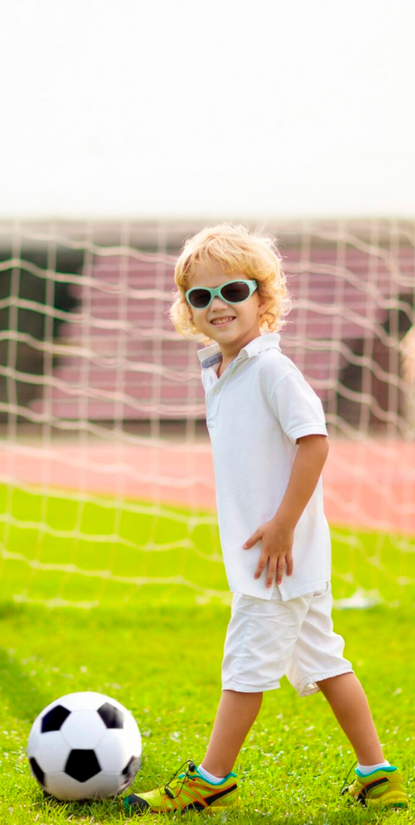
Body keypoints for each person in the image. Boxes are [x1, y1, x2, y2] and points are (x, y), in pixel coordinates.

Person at [123, 223, 407, 814]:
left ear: (263, 295)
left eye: (232, 290)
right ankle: (378, 772)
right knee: (326, 661)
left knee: (245, 664)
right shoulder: (223, 369)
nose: (217, 305)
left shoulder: (272, 371)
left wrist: (281, 524)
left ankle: (213, 779)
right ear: (188, 310)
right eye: (200, 297)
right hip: (281, 554)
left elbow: (316, 442)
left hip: (277, 554)